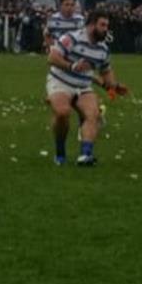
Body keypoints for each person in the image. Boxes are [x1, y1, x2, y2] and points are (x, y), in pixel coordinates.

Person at [45, 9, 128, 166]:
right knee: (62, 113)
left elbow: (106, 71)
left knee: (93, 115)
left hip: (83, 86)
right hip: (61, 81)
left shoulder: (103, 49)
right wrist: (72, 66)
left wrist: (115, 86)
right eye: (102, 25)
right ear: (91, 25)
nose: (106, 29)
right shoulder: (71, 38)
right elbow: (52, 57)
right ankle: (60, 152)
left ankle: (85, 155)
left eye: (107, 25)